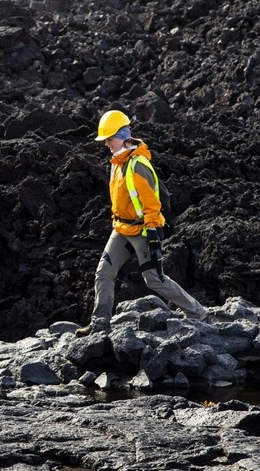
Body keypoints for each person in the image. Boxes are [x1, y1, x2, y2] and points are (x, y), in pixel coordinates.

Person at [76, 110, 207, 337]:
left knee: (155, 280)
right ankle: (100, 323)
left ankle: (198, 313)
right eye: (105, 139)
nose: (106, 143)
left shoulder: (137, 166)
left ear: (124, 136)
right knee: (104, 272)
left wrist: (154, 234)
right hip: (121, 228)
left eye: (110, 138)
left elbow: (152, 205)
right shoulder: (116, 163)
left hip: (144, 230)